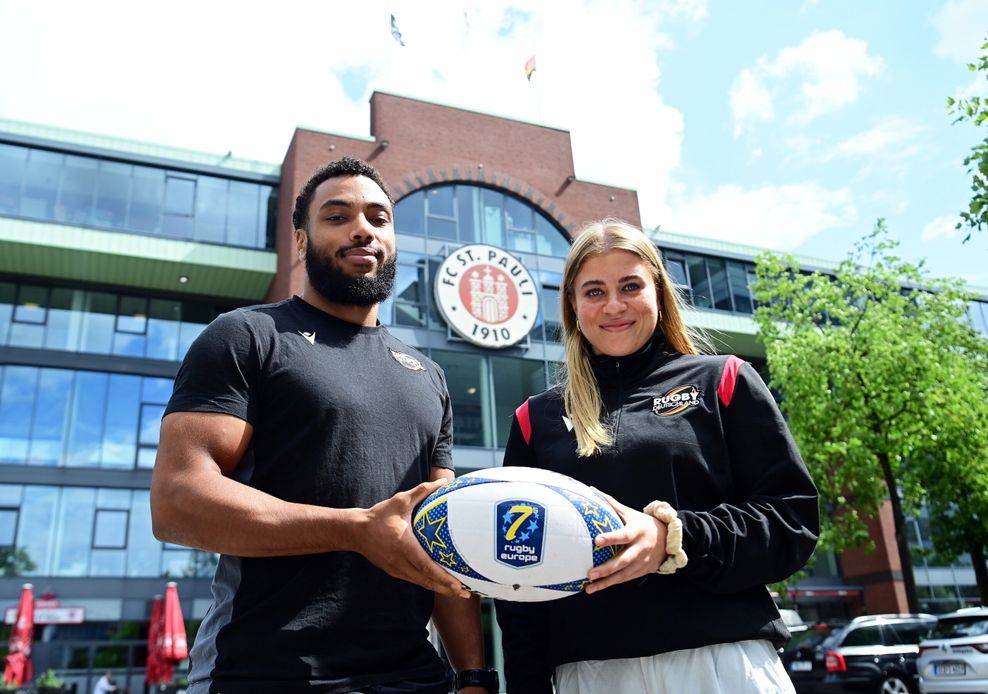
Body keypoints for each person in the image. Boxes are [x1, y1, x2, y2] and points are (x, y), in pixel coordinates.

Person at [151, 157, 495, 694]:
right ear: (302, 238)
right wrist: (352, 529)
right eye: (337, 216)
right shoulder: (247, 336)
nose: (363, 228)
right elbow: (176, 503)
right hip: (265, 672)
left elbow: (440, 538)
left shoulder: (429, 376)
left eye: (379, 218)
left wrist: (474, 674)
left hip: (414, 678)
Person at [494, 219, 819, 693]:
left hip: (720, 663)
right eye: (594, 291)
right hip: (592, 673)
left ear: (659, 291)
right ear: (573, 305)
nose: (614, 306)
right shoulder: (534, 420)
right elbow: (517, 574)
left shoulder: (724, 380)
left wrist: (674, 536)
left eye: (630, 286)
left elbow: (793, 523)